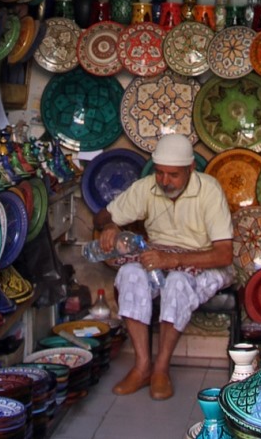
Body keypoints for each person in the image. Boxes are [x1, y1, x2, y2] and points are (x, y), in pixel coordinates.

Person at [92, 133, 234, 401]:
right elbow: (102, 216)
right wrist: (109, 226)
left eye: (173, 175)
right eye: (160, 173)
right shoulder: (147, 188)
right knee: (130, 273)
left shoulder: (209, 190)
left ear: (190, 169)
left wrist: (175, 261)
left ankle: (161, 369)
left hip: (205, 262)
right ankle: (142, 366)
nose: (165, 181)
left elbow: (224, 254)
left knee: (178, 282)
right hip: (160, 259)